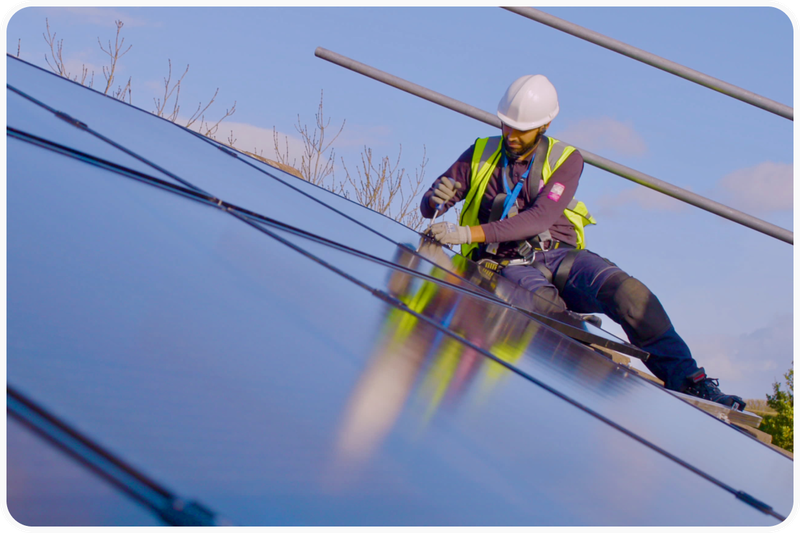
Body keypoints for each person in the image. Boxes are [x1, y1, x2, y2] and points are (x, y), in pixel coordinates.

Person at [421, 74, 746, 411]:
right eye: (506, 125)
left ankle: (692, 382)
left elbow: (540, 218)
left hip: (559, 255)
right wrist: (435, 199)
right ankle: (595, 374)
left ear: (545, 124)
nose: (511, 135)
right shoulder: (480, 153)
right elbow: (429, 205)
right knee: (549, 314)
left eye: (521, 129)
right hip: (502, 265)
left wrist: (467, 233)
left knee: (631, 295)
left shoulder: (566, 159)